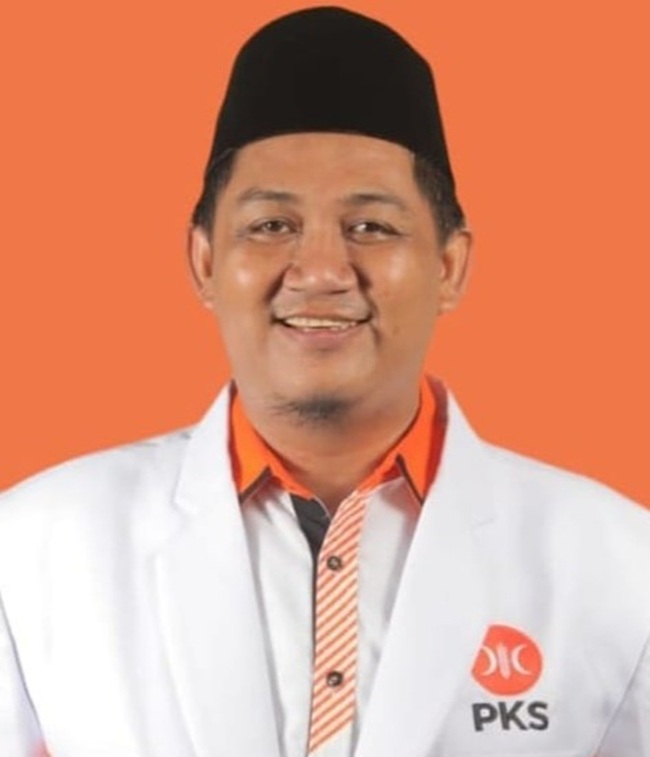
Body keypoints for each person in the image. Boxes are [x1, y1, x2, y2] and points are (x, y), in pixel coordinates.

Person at [1, 6, 649, 756]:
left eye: (370, 227)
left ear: (449, 266)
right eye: (271, 225)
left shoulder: (619, 564)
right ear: (205, 262)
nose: (319, 271)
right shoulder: (34, 548)